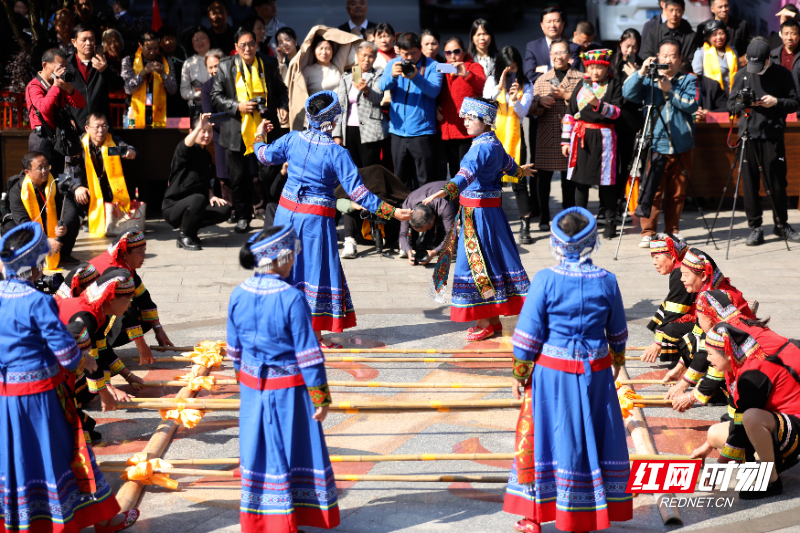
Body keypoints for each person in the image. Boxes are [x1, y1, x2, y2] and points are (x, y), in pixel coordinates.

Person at [0, 222, 140, 533]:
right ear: (36, 266)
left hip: (7, 398)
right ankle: (104, 519)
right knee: (69, 455)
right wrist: (87, 362)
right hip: (41, 398)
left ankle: (24, 522)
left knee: (20, 459)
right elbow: (67, 353)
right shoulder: (38, 302)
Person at [503, 207, 632, 533]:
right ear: (591, 240)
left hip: (551, 375)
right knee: (589, 438)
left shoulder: (546, 280)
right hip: (595, 374)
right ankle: (584, 513)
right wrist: (618, 362)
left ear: (557, 242)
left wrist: (520, 374)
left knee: (543, 437)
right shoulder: (607, 280)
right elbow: (617, 333)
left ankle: (534, 516)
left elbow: (527, 336)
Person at [253, 91, 412, 344]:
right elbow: (359, 193)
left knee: (287, 268)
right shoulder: (337, 153)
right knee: (314, 272)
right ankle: (314, 334)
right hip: (315, 220)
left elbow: (263, 155)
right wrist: (392, 211)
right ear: (333, 120)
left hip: (285, 215)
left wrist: (259, 135)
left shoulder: (292, 139)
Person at [228, 225, 340, 533]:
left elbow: (234, 351)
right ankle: (289, 522)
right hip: (289, 391)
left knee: (259, 452)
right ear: (281, 258)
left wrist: (246, 384)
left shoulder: (238, 294)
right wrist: (321, 396)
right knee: (294, 452)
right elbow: (308, 354)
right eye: (292, 256)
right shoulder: (292, 298)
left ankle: (265, 521)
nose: (294, 262)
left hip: (253, 387)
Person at [425, 97, 534, 341]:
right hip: (492, 214)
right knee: (492, 261)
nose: (465, 122)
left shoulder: (478, 149)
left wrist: (449, 189)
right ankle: (493, 320)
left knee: (477, 264)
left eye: (470, 118)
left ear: (485, 121)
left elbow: (466, 174)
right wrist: (521, 171)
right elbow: (509, 166)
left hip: (477, 217)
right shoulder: (494, 144)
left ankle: (483, 321)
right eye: (465, 117)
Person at [691, 322, 800, 499]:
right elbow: (737, 416)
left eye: (710, 354)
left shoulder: (753, 373)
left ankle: (770, 481)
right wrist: (707, 447)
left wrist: (719, 467)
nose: (708, 359)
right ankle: (769, 457)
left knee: (751, 418)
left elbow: (743, 423)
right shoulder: (734, 369)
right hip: (775, 422)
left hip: (795, 425)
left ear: (727, 354)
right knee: (714, 434)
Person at [210, 26, 289, 233]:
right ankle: (243, 216)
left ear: (257, 44)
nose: (248, 48)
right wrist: (238, 106)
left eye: (251, 43)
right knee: (238, 177)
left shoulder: (269, 63)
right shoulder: (226, 66)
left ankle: (271, 212)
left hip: (266, 127)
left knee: (268, 174)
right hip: (236, 129)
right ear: (236, 47)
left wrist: (282, 106)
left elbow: (281, 91)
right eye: (243, 45)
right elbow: (215, 96)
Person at [623, 39, 698, 247]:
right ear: (657, 57)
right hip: (657, 144)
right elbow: (627, 93)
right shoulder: (648, 80)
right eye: (664, 55)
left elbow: (692, 105)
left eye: (673, 56)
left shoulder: (688, 79)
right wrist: (641, 72)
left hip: (683, 145)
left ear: (680, 58)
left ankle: (672, 231)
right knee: (652, 190)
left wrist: (670, 89)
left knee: (677, 192)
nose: (668, 60)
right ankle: (648, 232)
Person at [728, 38, 800, 245]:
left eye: (760, 65)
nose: (756, 70)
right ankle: (755, 227)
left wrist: (776, 101)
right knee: (749, 183)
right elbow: (731, 106)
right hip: (748, 135)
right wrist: (743, 102)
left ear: (769, 58)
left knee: (777, 181)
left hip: (772, 134)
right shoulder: (742, 75)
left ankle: (781, 224)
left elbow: (794, 103)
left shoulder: (782, 74)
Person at [58, 266, 142, 439]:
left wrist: (127, 375)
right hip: (45, 362)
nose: (128, 307)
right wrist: (104, 392)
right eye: (127, 301)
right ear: (111, 298)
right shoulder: (86, 317)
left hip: (63, 359)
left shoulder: (99, 313)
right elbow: (89, 359)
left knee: (87, 427)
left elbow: (102, 349)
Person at [562, 49, 622, 240]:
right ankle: (580, 224)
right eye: (591, 67)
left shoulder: (613, 85)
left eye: (599, 67)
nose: (595, 71)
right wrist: (565, 140)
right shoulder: (582, 84)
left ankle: (610, 223)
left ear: (606, 68)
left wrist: (598, 103)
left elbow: (617, 113)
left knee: (606, 182)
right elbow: (570, 113)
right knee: (581, 182)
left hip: (604, 137)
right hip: (581, 136)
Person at [90, 230, 174, 365]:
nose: (144, 256)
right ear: (124, 253)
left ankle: (104, 348)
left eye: (144, 251)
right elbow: (126, 311)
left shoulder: (125, 266)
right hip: (82, 323)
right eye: (139, 252)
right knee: (127, 308)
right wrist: (142, 347)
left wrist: (159, 330)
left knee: (144, 317)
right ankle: (99, 349)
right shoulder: (114, 270)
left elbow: (144, 298)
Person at [529, 39, 582, 235]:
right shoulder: (542, 79)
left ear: (570, 55)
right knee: (543, 178)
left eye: (563, 53)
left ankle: (567, 218)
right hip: (546, 134)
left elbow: (588, 104)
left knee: (569, 180)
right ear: (550, 57)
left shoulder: (580, 78)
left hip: (572, 135)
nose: (559, 57)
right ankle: (544, 217)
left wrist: (568, 96)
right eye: (555, 54)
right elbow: (531, 110)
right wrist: (540, 103)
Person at [379, 32, 444, 190]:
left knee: (424, 178)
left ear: (420, 49)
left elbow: (433, 91)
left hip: (423, 132)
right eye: (404, 53)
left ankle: (425, 213)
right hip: (398, 131)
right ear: (398, 50)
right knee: (401, 179)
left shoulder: (433, 66)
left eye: (413, 53)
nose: (408, 57)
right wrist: (392, 76)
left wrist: (415, 76)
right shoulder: (393, 64)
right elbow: (381, 86)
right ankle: (404, 212)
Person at [484, 46, 535, 243]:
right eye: (507, 69)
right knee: (492, 181)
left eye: (514, 69)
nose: (511, 73)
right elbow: (487, 104)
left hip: (515, 136)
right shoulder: (491, 81)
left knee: (519, 179)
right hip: (493, 136)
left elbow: (523, 113)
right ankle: (492, 223)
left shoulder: (526, 84)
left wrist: (514, 99)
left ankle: (525, 224)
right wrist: (500, 86)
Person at [163, 113, 232, 251]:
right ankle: (183, 236)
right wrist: (198, 127)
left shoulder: (206, 155)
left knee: (225, 209)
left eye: (210, 131)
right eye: (203, 131)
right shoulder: (184, 150)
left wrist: (211, 195)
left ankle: (190, 230)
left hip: (196, 204)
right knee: (198, 199)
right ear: (192, 132)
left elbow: (204, 182)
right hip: (173, 208)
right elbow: (185, 145)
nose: (207, 135)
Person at [7, 151, 85, 269]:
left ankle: (63, 254)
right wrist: (45, 240)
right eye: (40, 168)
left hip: (52, 224)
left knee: (72, 219)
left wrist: (64, 226)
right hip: (32, 228)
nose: (45, 171)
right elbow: (22, 220)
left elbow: (69, 206)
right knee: (12, 228)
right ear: (27, 172)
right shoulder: (17, 189)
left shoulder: (56, 181)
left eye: (47, 167)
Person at [26, 47, 86, 179]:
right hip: (41, 139)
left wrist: (69, 88)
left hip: (58, 137)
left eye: (65, 66)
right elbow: (43, 108)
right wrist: (55, 86)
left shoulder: (58, 84)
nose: (63, 70)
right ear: (45, 65)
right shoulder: (34, 86)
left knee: (57, 178)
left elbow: (81, 104)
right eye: (59, 66)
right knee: (41, 178)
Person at [81, 112, 138, 238]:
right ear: (87, 129)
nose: (101, 130)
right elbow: (71, 169)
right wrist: (77, 187)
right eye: (96, 127)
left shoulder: (112, 143)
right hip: (87, 185)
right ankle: (85, 218)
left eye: (104, 126)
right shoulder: (81, 144)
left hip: (108, 185)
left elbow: (128, 150)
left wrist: (130, 152)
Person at [640, 233, 694, 365]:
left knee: (671, 329)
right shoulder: (682, 265)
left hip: (709, 319)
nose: (654, 263)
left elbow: (675, 311)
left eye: (657, 257)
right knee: (665, 306)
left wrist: (658, 343)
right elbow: (673, 303)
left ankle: (688, 359)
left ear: (671, 254)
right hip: (701, 311)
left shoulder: (681, 271)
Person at [437, 36, 486, 180]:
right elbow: (435, 91)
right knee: (454, 172)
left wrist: (467, 75)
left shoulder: (473, 67)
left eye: (456, 51)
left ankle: (470, 202)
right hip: (448, 131)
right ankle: (457, 201)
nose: (452, 56)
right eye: (448, 52)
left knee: (468, 173)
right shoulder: (442, 68)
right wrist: (436, 107)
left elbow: (483, 86)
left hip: (468, 132)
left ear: (464, 51)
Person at [335, 165, 409, 259]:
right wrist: (354, 205)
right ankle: (349, 242)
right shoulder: (357, 190)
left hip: (389, 236)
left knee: (402, 209)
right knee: (349, 210)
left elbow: (406, 201)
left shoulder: (390, 192)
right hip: (360, 235)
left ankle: (403, 243)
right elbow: (338, 201)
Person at [333, 41, 386, 168]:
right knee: (352, 166)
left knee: (370, 167)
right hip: (349, 129)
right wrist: (337, 134)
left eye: (371, 56)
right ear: (357, 54)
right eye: (363, 55)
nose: (366, 59)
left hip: (370, 130)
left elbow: (378, 97)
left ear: (375, 58)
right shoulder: (347, 76)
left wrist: (367, 90)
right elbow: (340, 106)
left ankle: (371, 189)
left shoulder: (378, 75)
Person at [609, 28, 644, 223]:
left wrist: (636, 76)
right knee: (609, 165)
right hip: (610, 121)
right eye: (627, 45)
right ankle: (608, 204)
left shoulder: (640, 65)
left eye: (634, 47)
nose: (630, 50)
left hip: (629, 122)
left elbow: (640, 95)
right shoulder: (611, 63)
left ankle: (620, 201)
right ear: (620, 43)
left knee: (625, 165)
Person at [65, 23, 124, 129]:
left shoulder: (104, 62)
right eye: (84, 40)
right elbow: (59, 96)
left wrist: (105, 71)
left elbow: (118, 85)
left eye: (91, 39)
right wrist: (67, 118)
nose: (88, 43)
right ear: (74, 42)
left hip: (100, 129)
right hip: (75, 128)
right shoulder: (66, 65)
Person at [121, 30, 178, 128]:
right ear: (140, 45)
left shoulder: (165, 61)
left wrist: (163, 74)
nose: (152, 52)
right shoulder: (129, 60)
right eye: (149, 48)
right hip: (134, 112)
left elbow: (173, 90)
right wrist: (143, 72)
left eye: (156, 48)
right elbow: (128, 89)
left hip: (160, 112)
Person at [399, 180, 458, 266]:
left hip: (459, 198)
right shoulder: (408, 205)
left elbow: (451, 236)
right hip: (428, 198)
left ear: (434, 217)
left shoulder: (444, 205)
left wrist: (434, 253)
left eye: (427, 229)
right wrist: (408, 250)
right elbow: (402, 234)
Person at [200, 49, 231, 205]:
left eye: (216, 66)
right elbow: (210, 115)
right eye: (210, 67)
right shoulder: (207, 87)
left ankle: (256, 206)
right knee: (224, 174)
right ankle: (230, 207)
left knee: (248, 171)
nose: (213, 70)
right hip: (221, 133)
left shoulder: (234, 80)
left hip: (241, 131)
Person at [523, 8, 580, 85]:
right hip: (541, 93)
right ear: (542, 25)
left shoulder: (573, 47)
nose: (552, 25)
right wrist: (561, 69)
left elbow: (573, 73)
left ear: (563, 24)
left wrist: (545, 69)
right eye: (548, 22)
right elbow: (529, 74)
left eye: (556, 21)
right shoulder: (532, 47)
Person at [696, 0, 750, 65]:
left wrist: (743, 59)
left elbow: (749, 48)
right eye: (720, 7)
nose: (724, 9)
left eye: (726, 6)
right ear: (712, 9)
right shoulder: (703, 28)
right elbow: (698, 53)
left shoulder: (741, 25)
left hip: (736, 68)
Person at [692, 19, 738, 94]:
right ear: (708, 38)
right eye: (714, 35)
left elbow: (738, 75)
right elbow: (697, 78)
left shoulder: (732, 52)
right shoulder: (701, 53)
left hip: (731, 96)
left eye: (721, 33)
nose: (719, 37)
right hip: (711, 96)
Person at [180, 26, 213, 118]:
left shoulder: (220, 59)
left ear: (209, 39)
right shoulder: (188, 63)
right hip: (197, 110)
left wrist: (207, 90)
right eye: (196, 40)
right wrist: (198, 94)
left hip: (218, 107)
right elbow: (184, 91)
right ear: (191, 43)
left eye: (203, 38)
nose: (200, 42)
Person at [770, 18, 800, 95]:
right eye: (786, 34)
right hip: (778, 102)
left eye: (793, 33)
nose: (789, 38)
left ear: (799, 35)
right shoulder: (772, 55)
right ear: (781, 35)